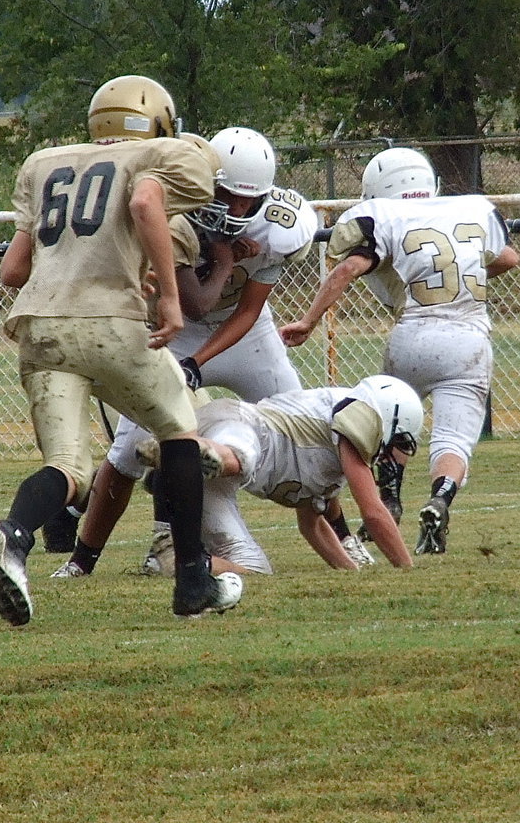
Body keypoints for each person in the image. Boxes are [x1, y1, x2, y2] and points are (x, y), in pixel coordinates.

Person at [0, 74, 242, 625]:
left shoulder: (45, 162)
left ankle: (14, 536)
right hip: (110, 323)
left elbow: (13, 270)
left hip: (39, 327)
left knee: (69, 467)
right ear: (160, 124)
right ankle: (193, 579)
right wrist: (167, 295)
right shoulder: (170, 153)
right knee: (180, 433)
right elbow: (145, 200)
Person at [45, 126, 339, 578]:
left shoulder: (279, 227)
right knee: (126, 451)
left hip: (244, 333)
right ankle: (82, 561)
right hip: (173, 328)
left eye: (249, 200)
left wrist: (197, 363)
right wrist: (222, 260)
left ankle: (345, 537)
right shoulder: (172, 208)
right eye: (228, 195)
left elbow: (250, 309)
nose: (239, 209)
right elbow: (191, 302)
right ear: (209, 181)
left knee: (304, 426)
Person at [280, 146, 520, 555]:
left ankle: (389, 496)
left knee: (395, 421)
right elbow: (510, 259)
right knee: (452, 440)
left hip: (411, 335)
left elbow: (347, 268)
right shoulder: (473, 207)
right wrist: (470, 271)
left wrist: (309, 320)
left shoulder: (386, 216)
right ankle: (440, 499)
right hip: (467, 338)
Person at [135, 374, 423, 569]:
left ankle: (176, 560)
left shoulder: (331, 459)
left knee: (253, 567)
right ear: (387, 415)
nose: (394, 455)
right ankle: (183, 450)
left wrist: (349, 569)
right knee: (243, 455)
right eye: (398, 441)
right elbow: (372, 512)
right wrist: (406, 568)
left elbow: (312, 525)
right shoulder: (355, 415)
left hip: (223, 475)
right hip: (242, 424)